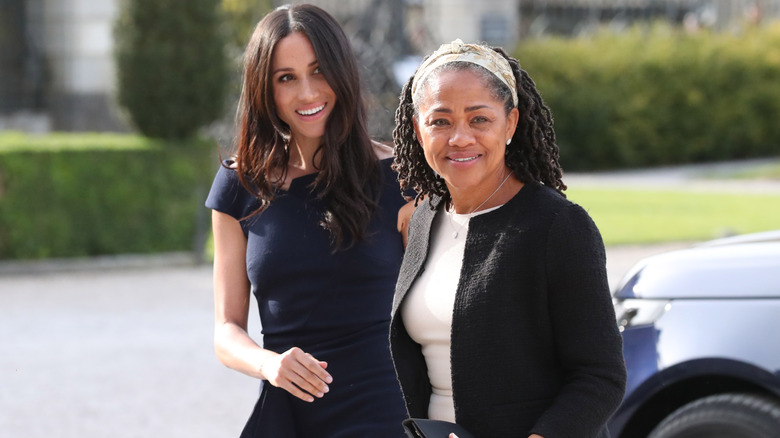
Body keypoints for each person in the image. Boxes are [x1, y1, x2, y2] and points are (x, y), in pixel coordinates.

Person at [390, 39, 627, 438]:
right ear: (419, 129)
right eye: (440, 121)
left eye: (479, 119)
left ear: (511, 123)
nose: (460, 137)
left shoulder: (557, 226)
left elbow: (600, 377)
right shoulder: (423, 218)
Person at [205, 4, 409, 437]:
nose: (307, 93)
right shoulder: (238, 185)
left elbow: (442, 315)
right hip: (287, 414)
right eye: (286, 78)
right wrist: (269, 364)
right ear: (265, 89)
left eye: (319, 71)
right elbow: (226, 331)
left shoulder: (400, 179)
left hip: (386, 413)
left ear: (342, 72)